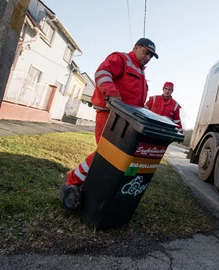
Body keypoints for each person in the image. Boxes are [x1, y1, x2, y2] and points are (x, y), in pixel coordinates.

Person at [59, 38, 158, 209]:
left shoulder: (141, 74)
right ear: (135, 47)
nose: (148, 57)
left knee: (115, 157)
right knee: (105, 153)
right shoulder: (121, 59)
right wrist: (112, 94)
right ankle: (70, 181)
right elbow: (102, 73)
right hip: (109, 115)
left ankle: (91, 184)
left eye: (151, 55)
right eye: (146, 52)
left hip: (126, 121)